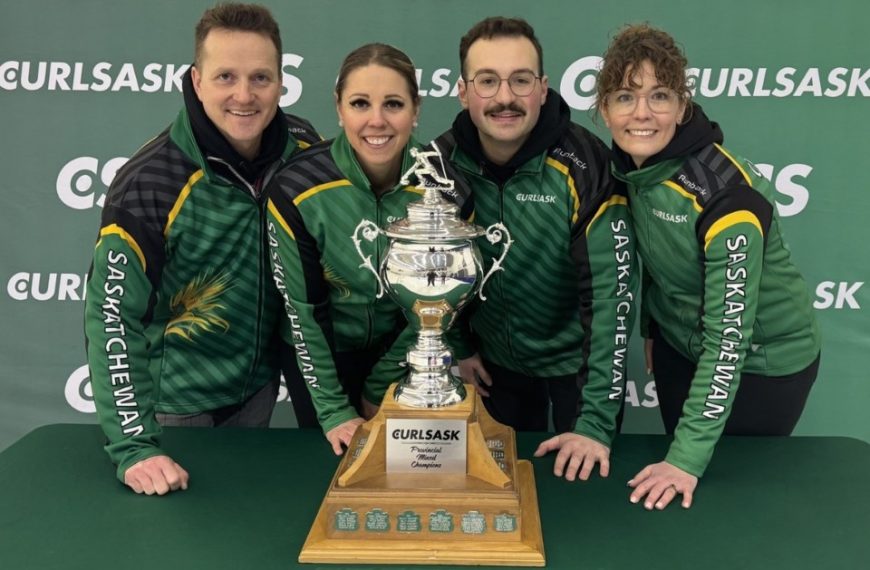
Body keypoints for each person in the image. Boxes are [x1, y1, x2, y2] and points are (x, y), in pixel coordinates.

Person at [83, 3, 320, 496]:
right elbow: (110, 318)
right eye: (225, 76)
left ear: (282, 81)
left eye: (260, 77)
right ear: (195, 80)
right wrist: (134, 447)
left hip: (258, 394)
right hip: (175, 412)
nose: (244, 95)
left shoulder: (303, 149)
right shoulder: (149, 183)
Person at [595, 23, 821, 510]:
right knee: (681, 501)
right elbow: (653, 258)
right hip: (680, 348)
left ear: (682, 106)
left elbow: (729, 339)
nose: (641, 113)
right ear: (604, 110)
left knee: (725, 498)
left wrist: (687, 459)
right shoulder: (631, 168)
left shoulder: (726, 197)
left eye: (659, 95)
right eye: (624, 96)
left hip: (765, 362)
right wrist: (653, 331)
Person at [434, 17, 637, 482]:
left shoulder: (586, 166)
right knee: (495, 491)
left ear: (543, 89)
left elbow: (611, 299)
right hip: (493, 368)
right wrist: (459, 345)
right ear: (464, 93)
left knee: (582, 496)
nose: (505, 98)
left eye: (520, 80)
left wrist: (595, 423)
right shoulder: (440, 165)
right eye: (487, 81)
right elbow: (435, 275)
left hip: (578, 369)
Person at [265, 43, 468, 454]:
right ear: (339, 109)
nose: (377, 120)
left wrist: (381, 384)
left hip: (405, 347)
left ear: (416, 109)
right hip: (320, 351)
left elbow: (438, 305)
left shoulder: (447, 186)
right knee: (333, 469)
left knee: (407, 468)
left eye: (393, 103)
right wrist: (334, 410)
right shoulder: (295, 186)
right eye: (360, 103)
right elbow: (302, 310)